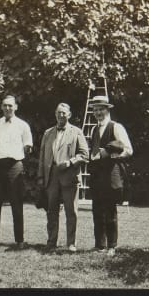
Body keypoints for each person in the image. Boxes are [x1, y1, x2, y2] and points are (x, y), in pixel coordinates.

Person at [36, 102, 90, 251]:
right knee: (51, 211)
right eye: (58, 112)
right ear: (55, 114)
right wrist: (40, 176)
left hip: (69, 175)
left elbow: (85, 154)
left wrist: (70, 162)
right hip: (51, 175)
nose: (61, 115)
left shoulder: (76, 132)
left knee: (71, 211)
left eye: (64, 113)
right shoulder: (48, 133)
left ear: (69, 115)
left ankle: (71, 243)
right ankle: (51, 242)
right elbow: (42, 156)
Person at [0, 95, 33, 249]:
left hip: (14, 166)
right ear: (1, 107)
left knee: (16, 203)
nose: (7, 108)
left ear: (16, 107)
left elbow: (28, 146)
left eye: (10, 105)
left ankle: (20, 240)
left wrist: (21, 159)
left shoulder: (23, 125)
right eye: (5, 105)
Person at [86, 94, 133, 254]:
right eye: (95, 110)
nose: (98, 113)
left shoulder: (116, 127)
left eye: (101, 109)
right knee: (97, 210)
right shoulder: (94, 129)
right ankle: (100, 245)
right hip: (96, 174)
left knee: (110, 210)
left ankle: (112, 245)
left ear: (107, 110)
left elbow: (128, 150)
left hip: (111, 173)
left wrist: (113, 155)